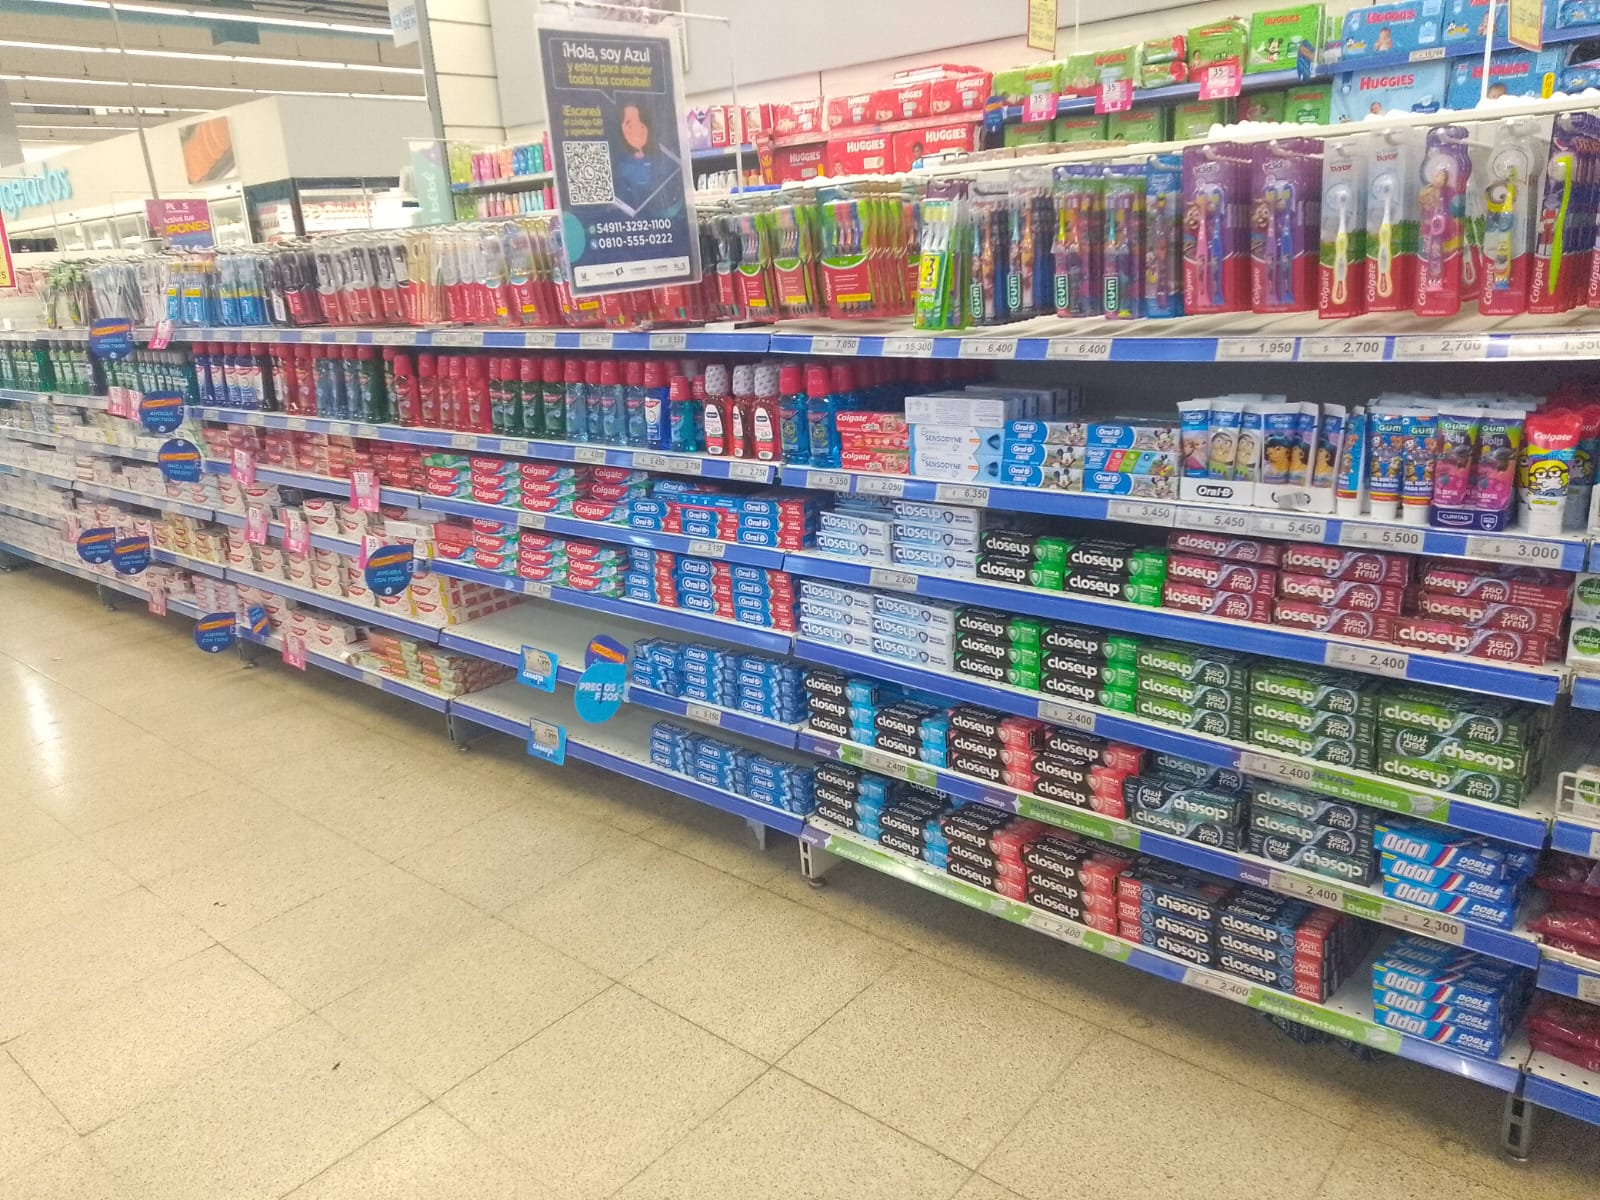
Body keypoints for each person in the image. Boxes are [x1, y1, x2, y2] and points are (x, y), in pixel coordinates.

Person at [612, 103, 679, 213]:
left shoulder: (665, 163)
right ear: (621, 130)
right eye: (630, 125)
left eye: (641, 124)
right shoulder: (621, 169)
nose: (637, 130)